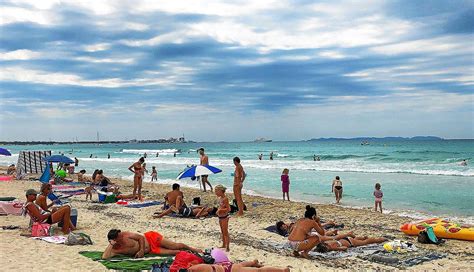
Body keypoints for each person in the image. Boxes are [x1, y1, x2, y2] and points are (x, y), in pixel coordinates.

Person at [102, 229, 201, 259]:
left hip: (150, 238)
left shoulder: (126, 235)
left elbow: (140, 237)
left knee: (175, 245)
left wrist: (141, 250)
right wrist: (110, 244)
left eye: (120, 235)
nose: (121, 237)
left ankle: (193, 249)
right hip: (150, 250)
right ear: (114, 240)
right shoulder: (115, 248)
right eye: (119, 237)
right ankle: (191, 254)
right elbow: (104, 258)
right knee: (174, 252)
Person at [186, 259, 290, 272]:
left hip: (230, 270)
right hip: (227, 266)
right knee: (240, 265)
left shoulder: (195, 269)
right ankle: (254, 262)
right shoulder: (193, 267)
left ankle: (282, 270)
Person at [314, 236, 386, 253]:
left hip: (350, 242)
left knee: (366, 242)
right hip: (346, 239)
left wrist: (333, 248)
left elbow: (345, 248)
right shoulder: (326, 243)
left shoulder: (332, 246)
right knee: (361, 240)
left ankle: (382, 239)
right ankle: (362, 237)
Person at [215, 185, 231, 251]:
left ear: (221, 191)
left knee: (225, 232)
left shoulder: (225, 199)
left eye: (216, 191)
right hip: (220, 217)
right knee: (222, 231)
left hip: (224, 217)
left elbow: (228, 209)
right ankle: (224, 244)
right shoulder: (220, 198)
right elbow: (221, 206)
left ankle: (228, 246)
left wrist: (220, 210)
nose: (215, 193)